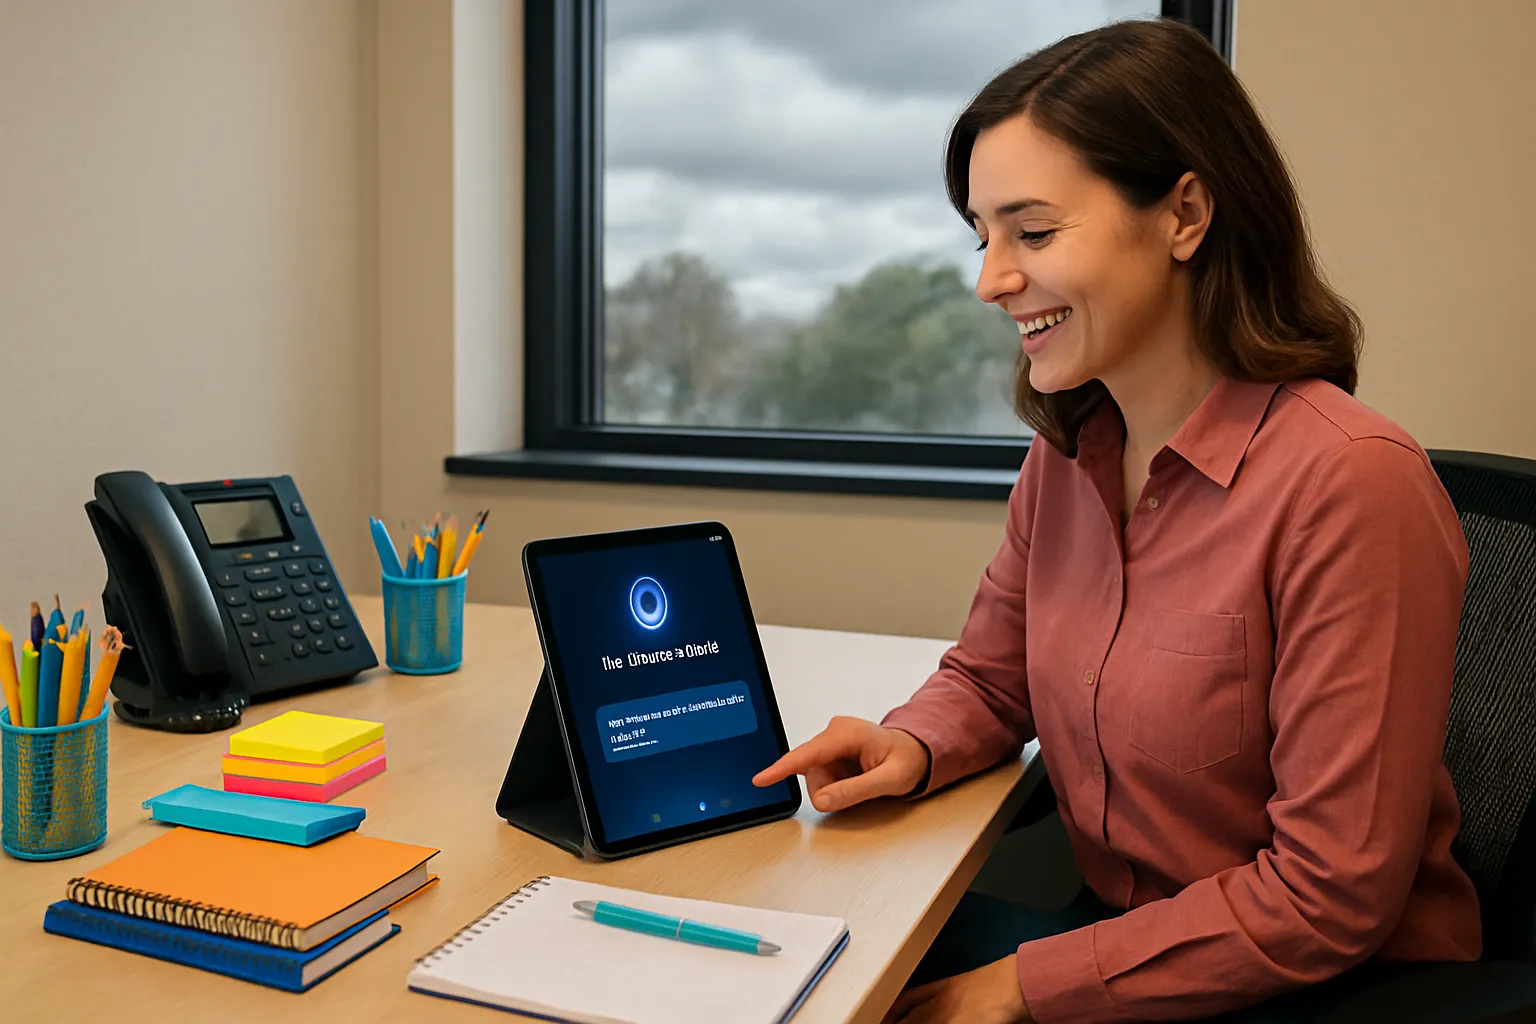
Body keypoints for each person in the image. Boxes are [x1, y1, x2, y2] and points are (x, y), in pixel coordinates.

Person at [752, 18, 1498, 1023]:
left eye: (1035, 232)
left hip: (1330, 987)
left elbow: (1329, 895)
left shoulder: (1352, 483)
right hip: (1120, 940)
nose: (990, 279)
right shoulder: (1069, 454)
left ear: (1185, 213)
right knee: (802, 971)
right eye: (983, 236)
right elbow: (992, 671)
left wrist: (1018, 985)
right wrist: (915, 743)